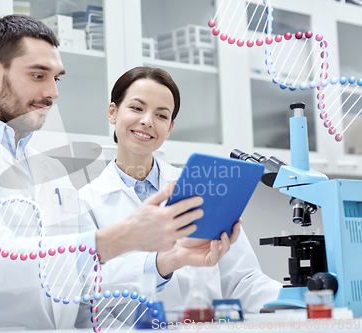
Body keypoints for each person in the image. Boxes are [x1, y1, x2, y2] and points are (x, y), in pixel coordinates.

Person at [0, 15, 239, 330]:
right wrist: (122, 237)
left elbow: (87, 279)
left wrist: (165, 260)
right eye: (38, 76)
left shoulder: (50, 167)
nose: (53, 93)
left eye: (56, 78)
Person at [78, 67, 283, 325]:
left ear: (170, 126)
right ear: (113, 112)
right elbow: (86, 298)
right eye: (137, 108)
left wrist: (293, 301)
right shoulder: (85, 203)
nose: (147, 121)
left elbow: (242, 280)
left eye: (161, 115)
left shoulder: (204, 186)